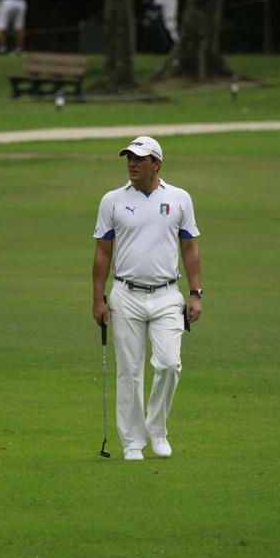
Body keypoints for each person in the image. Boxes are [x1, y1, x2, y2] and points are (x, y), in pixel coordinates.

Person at [92, 136, 203, 461]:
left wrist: (195, 294)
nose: (132, 164)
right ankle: (131, 442)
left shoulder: (179, 199)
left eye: (139, 159)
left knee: (169, 364)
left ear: (156, 163)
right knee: (129, 371)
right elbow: (102, 252)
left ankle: (156, 429)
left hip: (168, 294)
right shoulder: (111, 200)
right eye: (129, 158)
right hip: (125, 294)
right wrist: (98, 299)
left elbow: (190, 247)